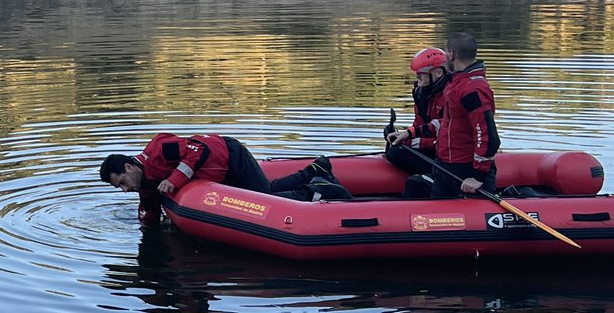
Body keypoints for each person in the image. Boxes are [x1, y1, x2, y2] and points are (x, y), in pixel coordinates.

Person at [98, 132, 343, 226]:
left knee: (265, 198)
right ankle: (314, 171)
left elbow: (197, 148)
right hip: (217, 173)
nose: (124, 189)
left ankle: (314, 187)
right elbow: (148, 213)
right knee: (261, 193)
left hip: (230, 154)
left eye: (121, 182)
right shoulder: (146, 187)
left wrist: (174, 178)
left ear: (130, 167)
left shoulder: (159, 150)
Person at [429, 31, 500, 195]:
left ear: (451, 54)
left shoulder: (472, 89)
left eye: (446, 52)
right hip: (447, 166)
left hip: (465, 170)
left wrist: (478, 176)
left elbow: (487, 134)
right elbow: (449, 123)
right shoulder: (456, 83)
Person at [385, 46, 450, 197]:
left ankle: (435, 178)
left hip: (446, 152)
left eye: (421, 74)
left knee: (399, 153)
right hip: (433, 146)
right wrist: (403, 135)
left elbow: (447, 131)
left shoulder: (451, 94)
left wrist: (413, 140)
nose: (417, 78)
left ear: (438, 73)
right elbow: (418, 125)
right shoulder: (422, 93)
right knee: (394, 152)